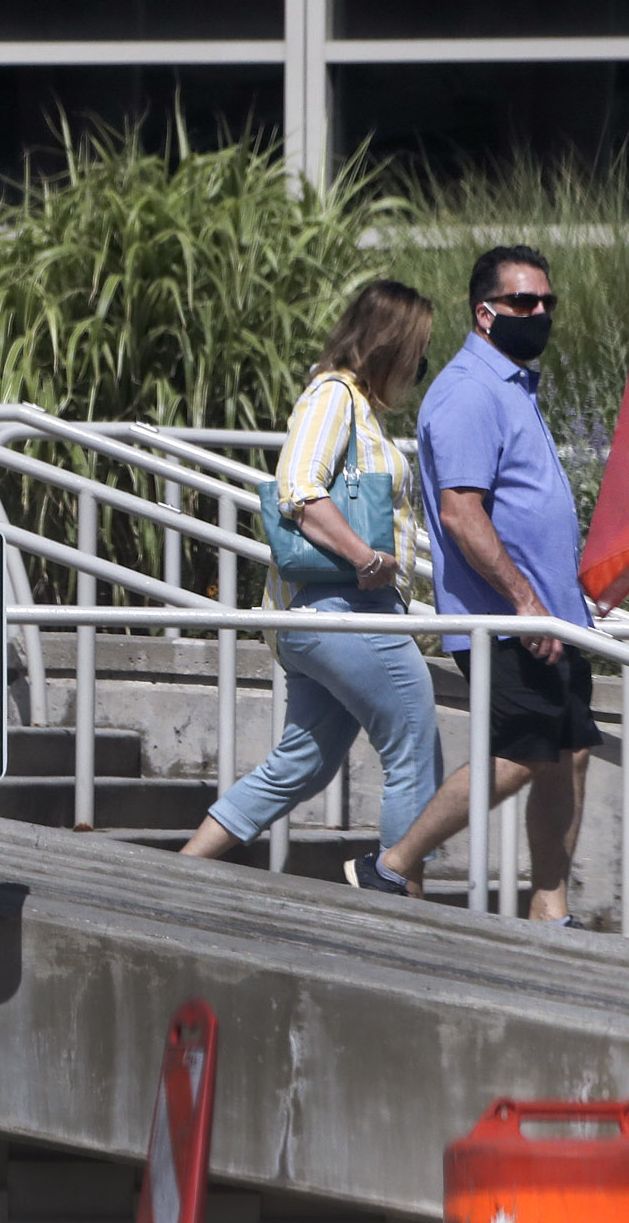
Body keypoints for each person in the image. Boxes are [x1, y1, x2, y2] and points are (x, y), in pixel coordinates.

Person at [348, 246, 599, 922]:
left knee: (569, 753)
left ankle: (551, 909)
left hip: (551, 617)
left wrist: (570, 595)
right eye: (524, 302)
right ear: (484, 313)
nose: (539, 312)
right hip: (506, 619)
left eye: (547, 301)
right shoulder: (466, 392)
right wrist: (522, 601)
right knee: (520, 755)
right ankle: (391, 866)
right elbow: (462, 513)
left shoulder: (513, 386)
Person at [179, 281, 443, 880]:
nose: (421, 367)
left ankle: (177, 874)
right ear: (390, 346)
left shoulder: (359, 407)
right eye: (418, 352)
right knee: (414, 746)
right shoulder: (332, 395)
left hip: (323, 619)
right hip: (344, 611)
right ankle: (400, 906)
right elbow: (299, 489)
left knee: (302, 763)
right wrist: (365, 559)